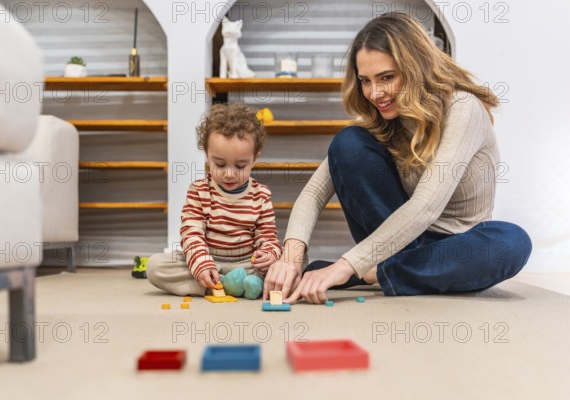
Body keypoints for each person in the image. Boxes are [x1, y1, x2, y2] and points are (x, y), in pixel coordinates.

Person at [263, 12, 532, 304]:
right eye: (365, 81)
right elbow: (315, 192)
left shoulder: (463, 108)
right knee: (347, 142)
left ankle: (370, 274)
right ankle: (393, 272)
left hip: (453, 251)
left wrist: (346, 266)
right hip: (400, 243)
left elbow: (426, 206)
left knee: (512, 242)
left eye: (387, 77)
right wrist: (290, 257)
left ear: (416, 67)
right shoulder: (381, 118)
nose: (375, 93)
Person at [147, 103, 282, 297]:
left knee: (296, 258)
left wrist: (267, 255)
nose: (229, 173)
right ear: (207, 156)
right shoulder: (199, 190)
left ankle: (235, 284)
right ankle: (229, 285)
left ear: (254, 158)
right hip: (210, 263)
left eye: (240, 165)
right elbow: (191, 232)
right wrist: (201, 263)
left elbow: (267, 236)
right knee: (155, 266)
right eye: (219, 164)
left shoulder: (261, 194)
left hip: (247, 264)